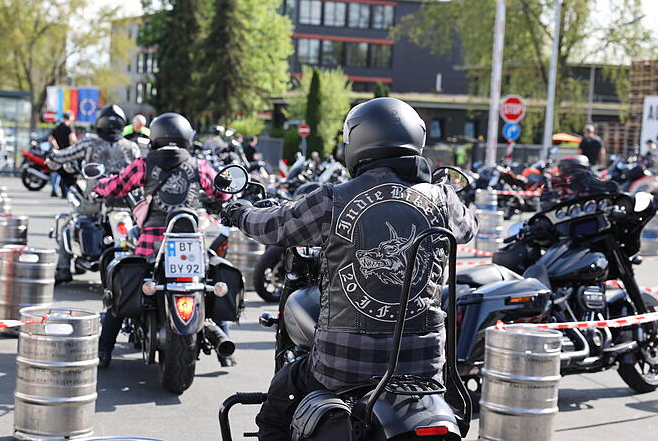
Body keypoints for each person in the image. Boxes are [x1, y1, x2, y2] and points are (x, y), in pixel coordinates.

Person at [220, 98, 478, 440]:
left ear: (356, 142)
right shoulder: (443, 198)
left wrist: (239, 212)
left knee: (279, 400)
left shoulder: (332, 198)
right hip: (427, 368)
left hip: (342, 367)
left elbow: (274, 227)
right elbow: (469, 227)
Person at [92, 112, 232, 368]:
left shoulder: (144, 164)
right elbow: (222, 193)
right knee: (212, 280)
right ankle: (226, 350)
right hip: (192, 246)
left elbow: (115, 186)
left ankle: (104, 350)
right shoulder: (198, 165)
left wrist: (99, 185)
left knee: (123, 284)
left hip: (150, 247)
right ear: (185, 137)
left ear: (155, 136)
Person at [47, 104, 142, 284]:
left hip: (95, 201)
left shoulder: (90, 142)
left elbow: (64, 155)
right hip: (127, 202)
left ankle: (63, 268)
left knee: (67, 223)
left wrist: (52, 157)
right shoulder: (132, 147)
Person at [48, 111, 78, 197]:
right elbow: (73, 140)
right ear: (70, 118)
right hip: (67, 153)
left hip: (58, 153)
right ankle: (66, 192)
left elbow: (50, 138)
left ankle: (54, 189)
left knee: (56, 171)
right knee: (66, 172)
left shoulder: (58, 127)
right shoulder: (69, 127)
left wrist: (56, 145)